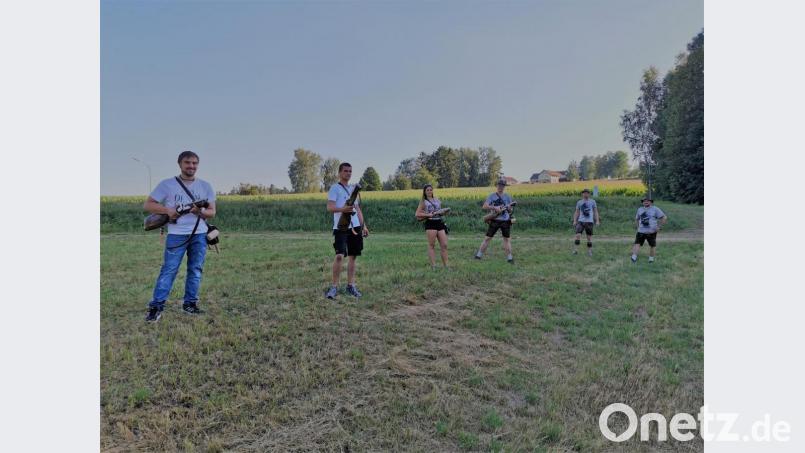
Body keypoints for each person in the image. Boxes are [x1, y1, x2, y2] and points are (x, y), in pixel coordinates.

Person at [144, 151, 216, 322]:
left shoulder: (205, 186)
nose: (191, 166)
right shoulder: (167, 184)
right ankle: (156, 307)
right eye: (187, 162)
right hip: (176, 235)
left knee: (195, 270)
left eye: (194, 163)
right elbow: (148, 204)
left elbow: (212, 212)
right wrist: (168, 210)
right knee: (169, 270)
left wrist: (200, 211)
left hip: (199, 234)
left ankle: (190, 304)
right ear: (180, 164)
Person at [325, 163, 369, 299]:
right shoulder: (334, 188)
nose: (348, 173)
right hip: (341, 227)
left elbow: (357, 209)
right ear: (339, 173)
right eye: (345, 171)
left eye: (350, 171)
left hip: (355, 227)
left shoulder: (352, 189)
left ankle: (351, 286)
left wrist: (364, 226)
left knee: (353, 257)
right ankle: (334, 287)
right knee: (339, 256)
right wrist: (343, 209)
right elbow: (330, 207)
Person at [474, 178, 516, 264]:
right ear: (497, 185)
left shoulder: (508, 196)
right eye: (499, 185)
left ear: (504, 186)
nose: (501, 187)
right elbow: (484, 206)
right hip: (495, 220)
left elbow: (511, 210)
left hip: (505, 220)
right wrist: (494, 207)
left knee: (506, 240)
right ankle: (478, 255)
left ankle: (510, 258)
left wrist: (509, 209)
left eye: (502, 185)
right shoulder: (491, 196)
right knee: (487, 238)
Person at [415, 184, 449, 269]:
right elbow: (417, 214)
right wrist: (428, 214)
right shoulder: (423, 202)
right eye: (428, 190)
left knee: (444, 245)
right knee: (432, 245)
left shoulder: (437, 200)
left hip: (439, 222)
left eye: (431, 190)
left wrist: (443, 212)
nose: (430, 191)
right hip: (430, 223)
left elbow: (438, 211)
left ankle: (446, 266)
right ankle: (434, 266)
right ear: (425, 192)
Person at [631, 197, 667, 263]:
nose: (646, 202)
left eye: (648, 201)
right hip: (641, 231)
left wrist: (659, 227)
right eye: (644, 201)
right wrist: (637, 227)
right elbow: (637, 219)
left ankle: (651, 259)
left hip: (651, 232)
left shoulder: (655, 209)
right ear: (642, 202)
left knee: (652, 245)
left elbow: (664, 217)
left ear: (651, 202)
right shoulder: (640, 209)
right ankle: (633, 258)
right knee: (637, 243)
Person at [572, 188, 600, 256]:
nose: (585, 194)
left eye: (587, 193)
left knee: (589, 238)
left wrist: (597, 220)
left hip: (589, 222)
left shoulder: (592, 201)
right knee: (577, 235)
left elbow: (595, 211)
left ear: (589, 194)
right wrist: (575, 220)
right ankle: (575, 251)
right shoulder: (579, 202)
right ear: (582, 194)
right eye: (584, 193)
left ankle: (589, 252)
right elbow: (577, 212)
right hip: (580, 221)